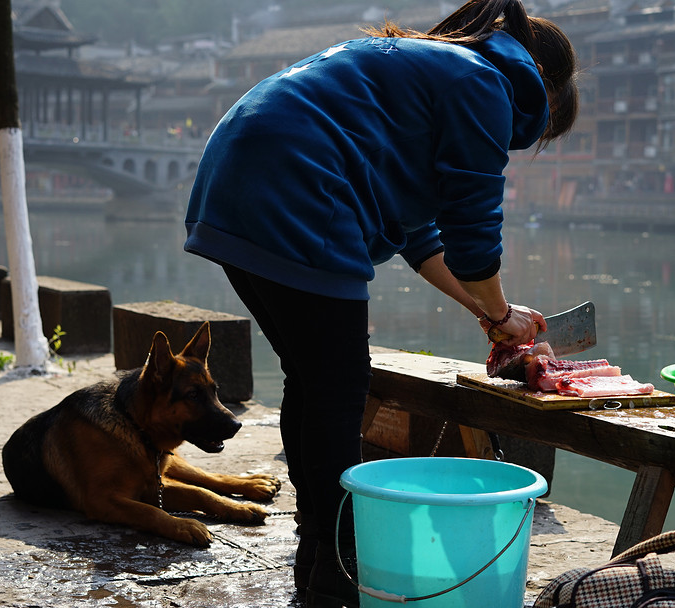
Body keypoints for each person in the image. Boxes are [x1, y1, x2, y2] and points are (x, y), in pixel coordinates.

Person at [183, 1, 579, 605]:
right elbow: (474, 232)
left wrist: (487, 311)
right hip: (300, 183)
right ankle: (340, 567)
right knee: (339, 387)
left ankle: (318, 546)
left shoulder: (434, 69)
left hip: (236, 176)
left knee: (314, 380)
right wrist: (502, 316)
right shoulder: (486, 85)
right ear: (543, 92)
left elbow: (422, 235)